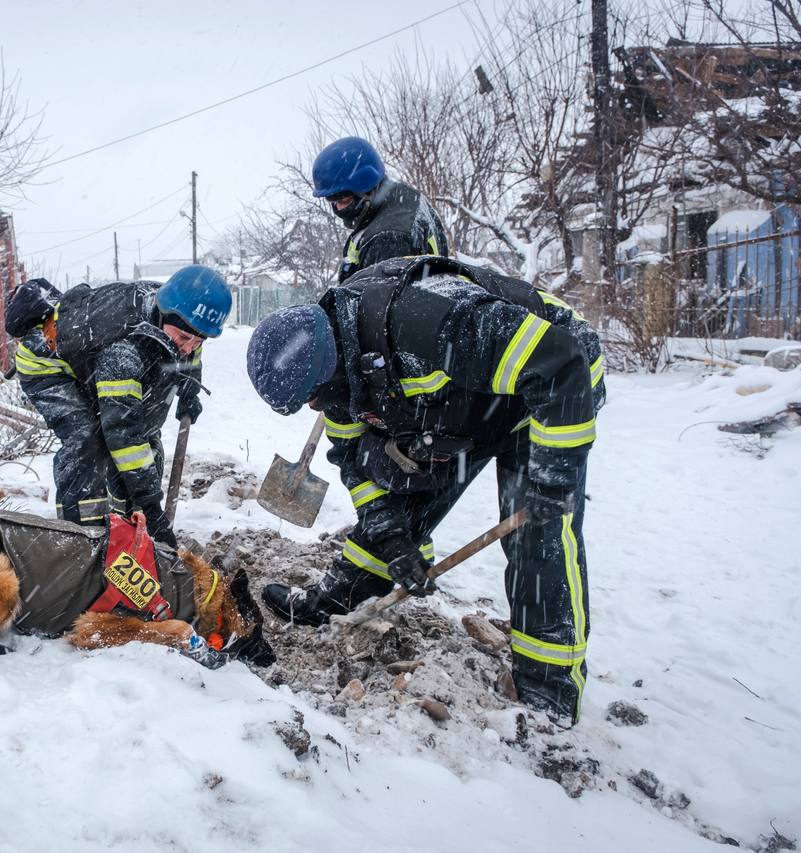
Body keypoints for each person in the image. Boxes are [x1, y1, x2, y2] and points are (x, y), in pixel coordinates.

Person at [245, 254, 606, 725]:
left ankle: (550, 694)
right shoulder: (339, 369)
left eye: (313, 397)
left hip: (550, 386)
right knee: (396, 495)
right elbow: (355, 463)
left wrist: (554, 478)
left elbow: (561, 365)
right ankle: (341, 600)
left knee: (538, 535)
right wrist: (392, 534)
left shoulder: (433, 322)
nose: (316, 406)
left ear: (325, 370)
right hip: (464, 404)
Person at [10, 265, 231, 547]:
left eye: (198, 339)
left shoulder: (180, 316)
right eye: (184, 338)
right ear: (164, 314)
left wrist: (189, 389)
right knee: (88, 442)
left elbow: (191, 352)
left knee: (147, 431)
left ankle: (128, 523)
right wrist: (153, 507)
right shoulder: (123, 349)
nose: (189, 347)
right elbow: (122, 432)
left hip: (94, 360)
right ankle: (82, 537)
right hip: (48, 365)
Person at [311, 136, 451, 283]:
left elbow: (376, 303)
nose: (338, 208)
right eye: (332, 201)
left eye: (344, 200)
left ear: (366, 187)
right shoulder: (400, 199)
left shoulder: (390, 238)